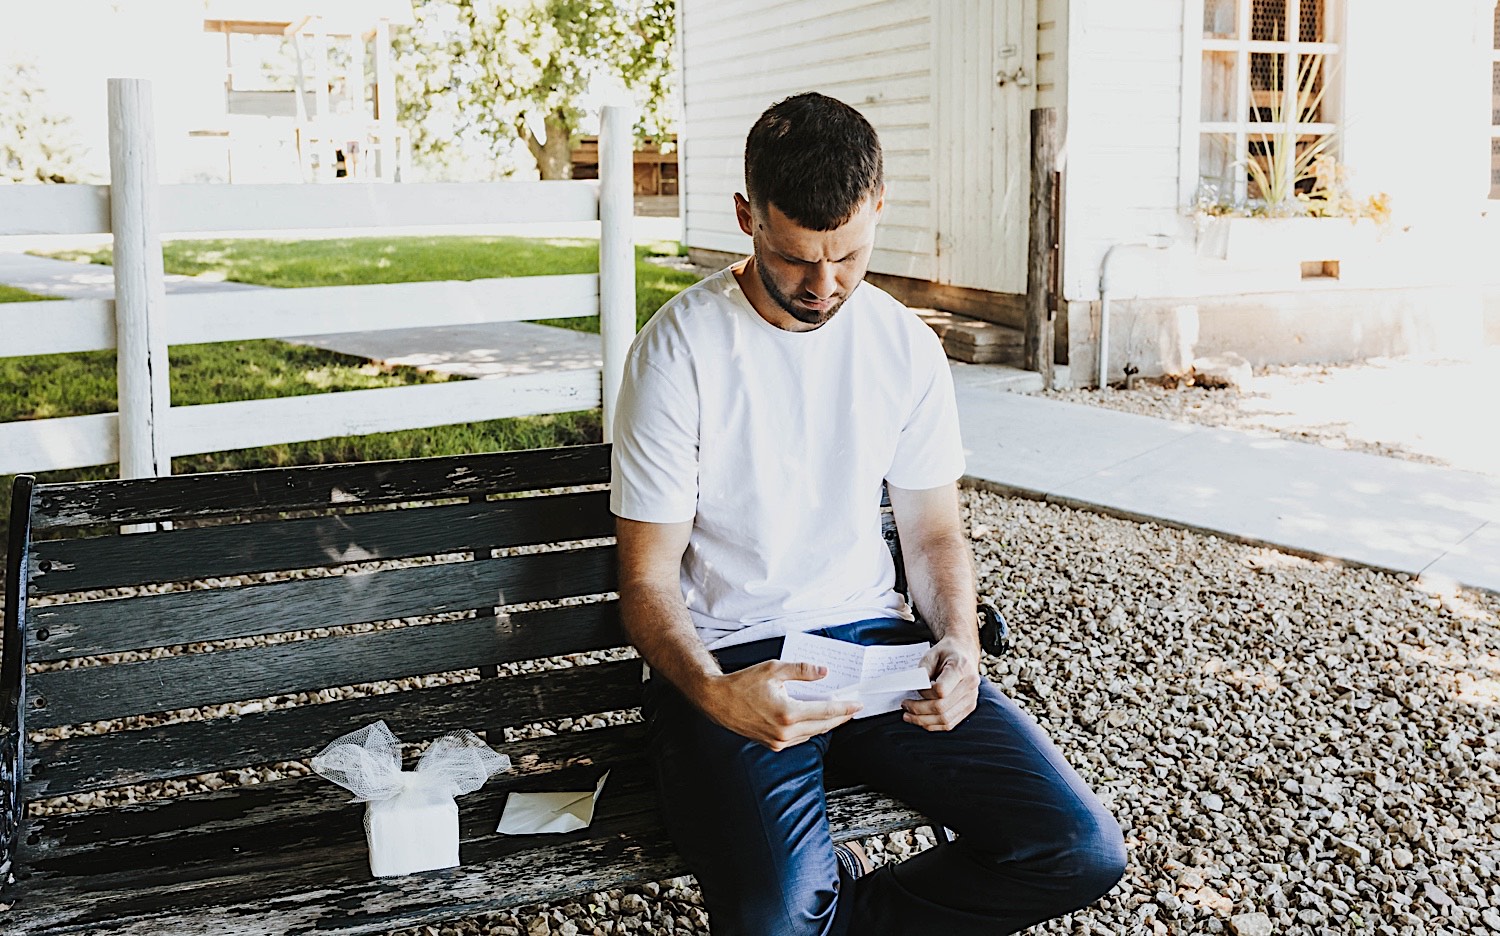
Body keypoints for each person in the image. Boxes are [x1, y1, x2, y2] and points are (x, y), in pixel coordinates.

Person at [610, 91, 1125, 936]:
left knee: (1077, 848)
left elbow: (931, 531)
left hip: (877, 655)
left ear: (879, 209)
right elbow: (645, 576)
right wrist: (711, 691)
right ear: (747, 217)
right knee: (777, 918)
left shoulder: (905, 347)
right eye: (795, 258)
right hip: (733, 659)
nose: (824, 286)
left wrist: (957, 641)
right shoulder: (679, 351)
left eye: (848, 255)